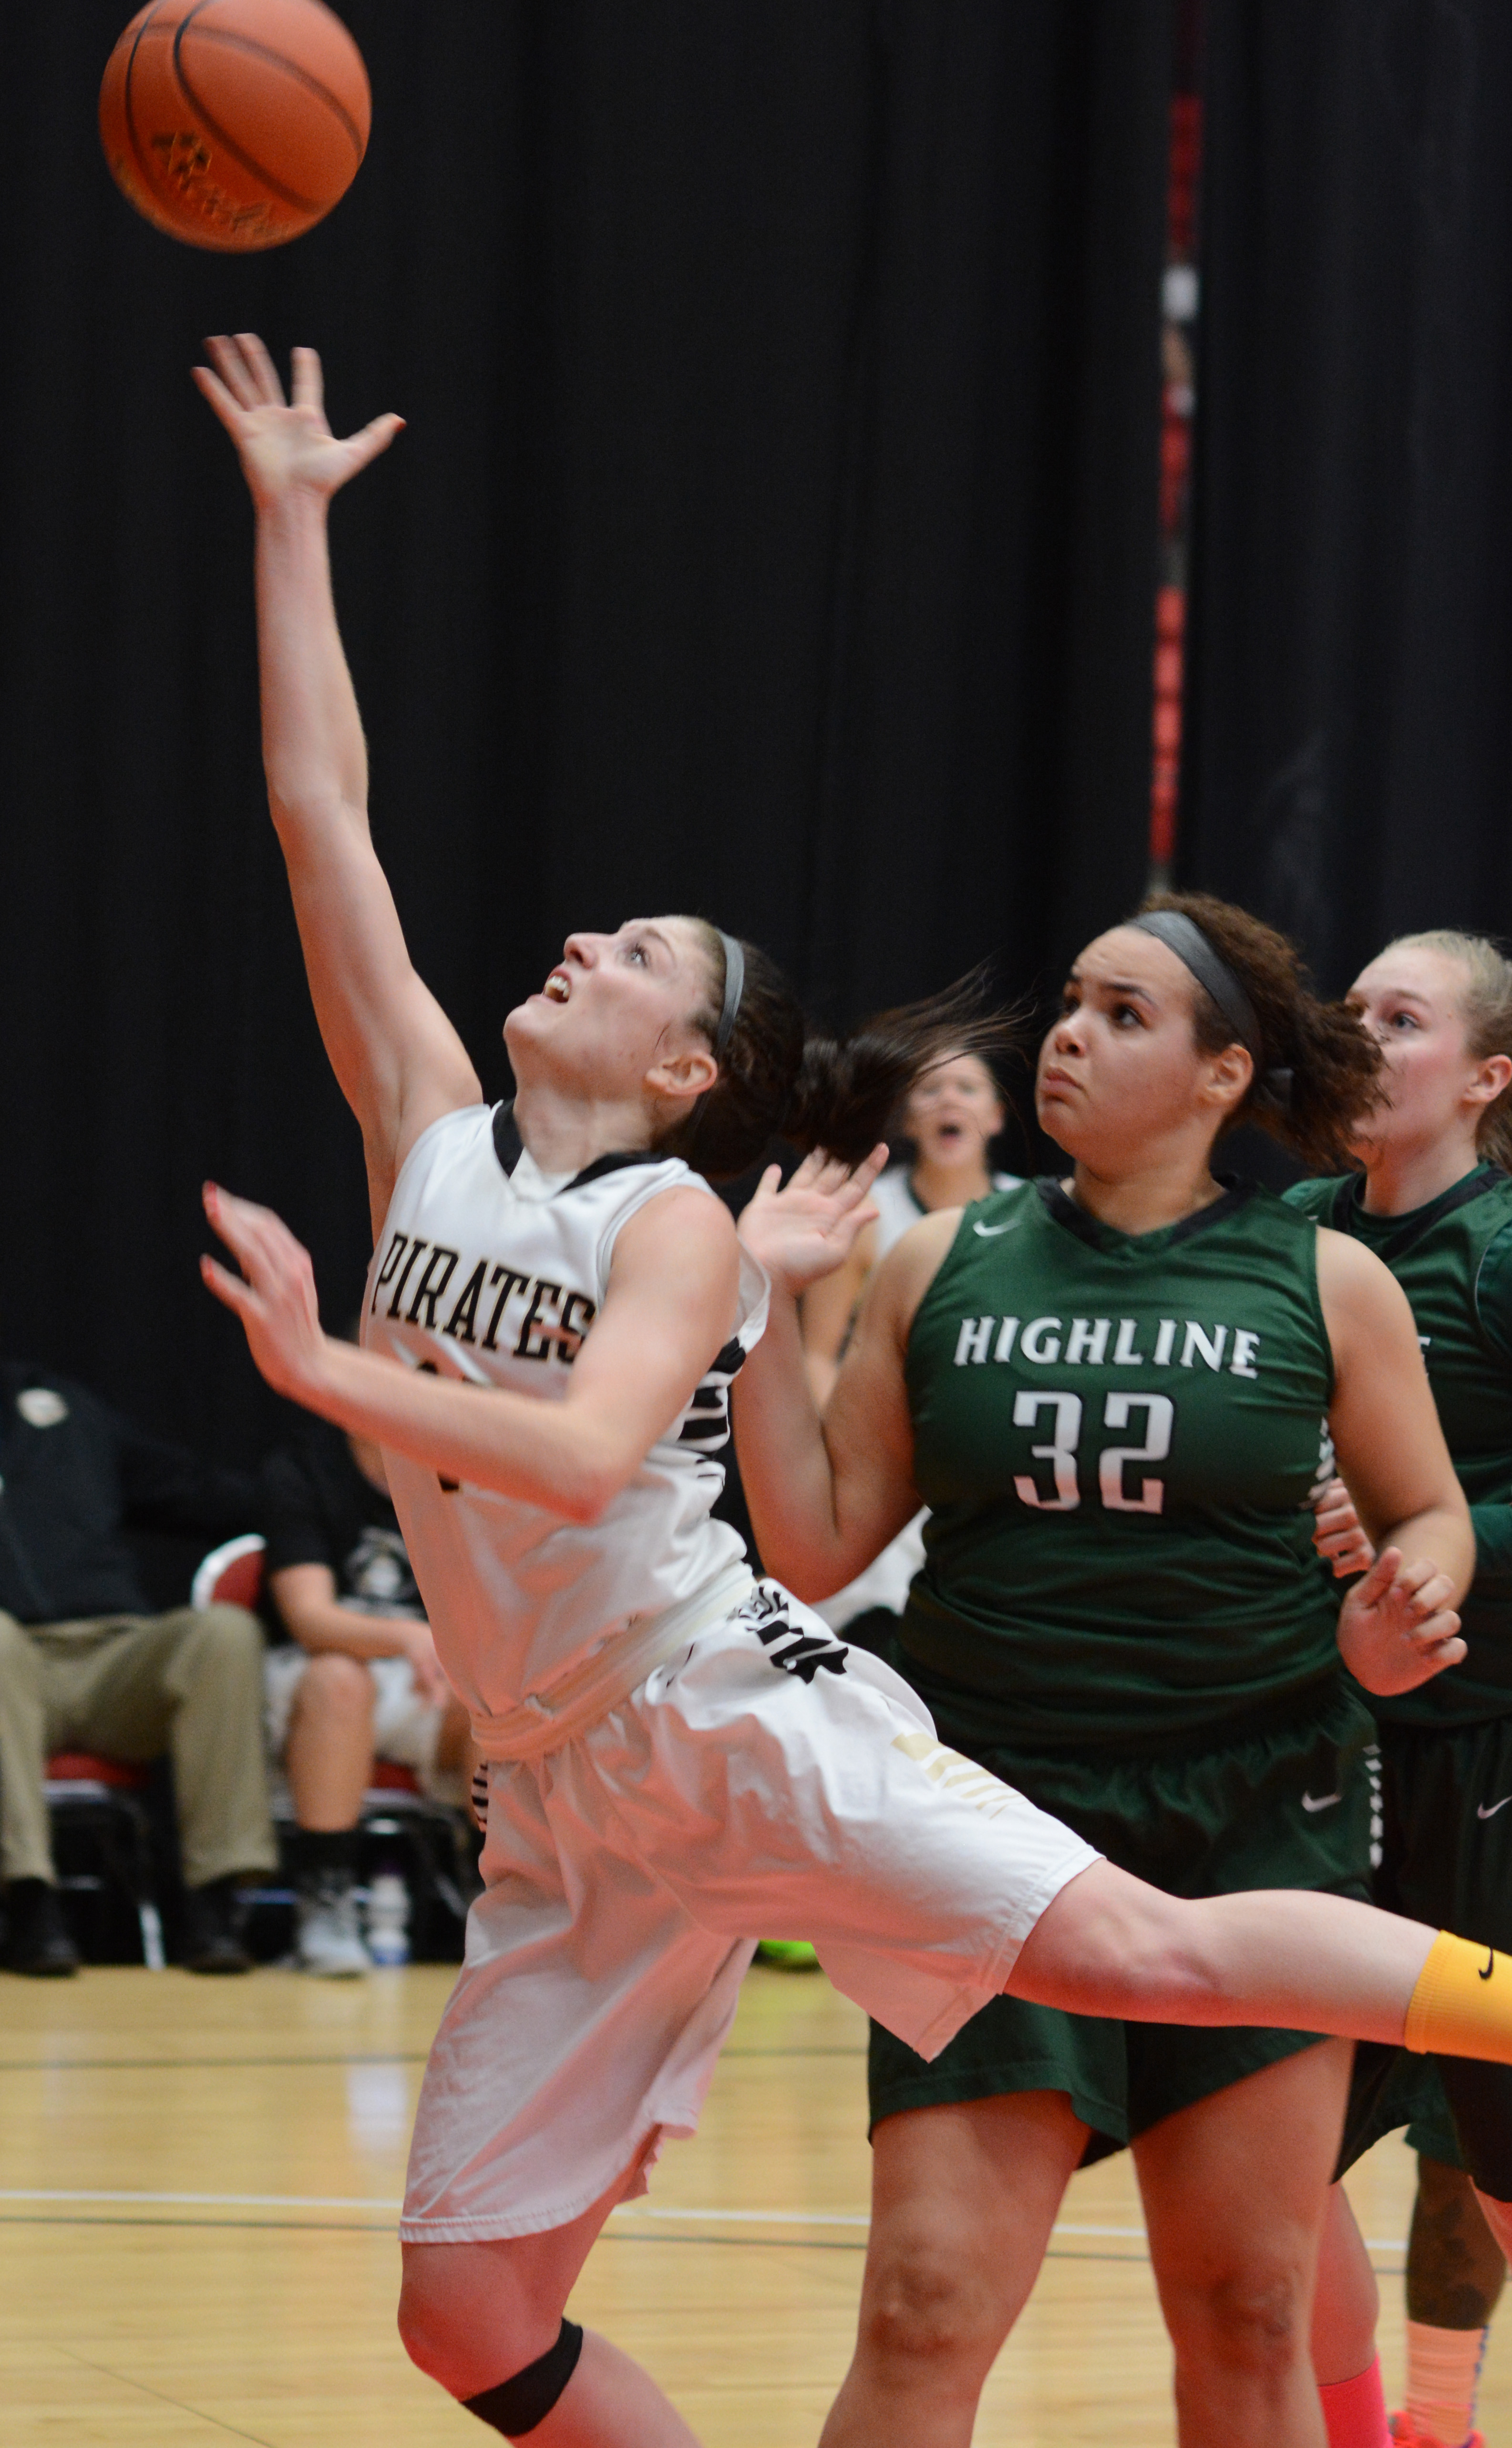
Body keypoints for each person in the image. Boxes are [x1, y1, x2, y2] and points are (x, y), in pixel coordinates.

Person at [194, 336, 1512, 2448]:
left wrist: (326, 1365)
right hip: (553, 1792)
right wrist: (287, 518)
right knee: (460, 2316)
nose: (584, 939)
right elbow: (314, 808)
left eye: (637, 953)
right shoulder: (429, 1139)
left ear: (690, 1072)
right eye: (596, 930)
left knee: (1151, 1964)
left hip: (717, 1708)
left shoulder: (674, 1230)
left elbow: (586, 1450)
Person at [730, 892, 1487, 2448]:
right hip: (995, 1814)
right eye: (1072, 1000)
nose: (1069, 1032)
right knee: (924, 2300)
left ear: (1224, 1074)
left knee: (1248, 2307)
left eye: (1125, 1012)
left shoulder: (1328, 1277)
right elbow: (811, 1549)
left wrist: (1406, 1601)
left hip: (1256, 1807)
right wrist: (753, 1313)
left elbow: (1423, 1510)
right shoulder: (944, 1256)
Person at [1290, 931, 1512, 2448]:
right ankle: (1374, 2431)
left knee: (1490, 2154)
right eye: (1348, 1008)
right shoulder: (1290, 1232)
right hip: (1321, 1747)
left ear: (1485, 1078)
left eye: (1402, 1018)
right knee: (1258, 2144)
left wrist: (1432, 1547)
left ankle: (1442, 2417)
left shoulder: (1499, 1248)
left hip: (1486, 1745)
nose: (1358, 1037)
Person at [0, 1355, 276, 1976]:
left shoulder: (65, 1411)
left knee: (222, 1635)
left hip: (113, 1659)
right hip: (12, 1667)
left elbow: (194, 1489)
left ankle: (215, 1902)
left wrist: (305, 1494)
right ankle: (29, 1904)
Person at [800, 1047, 1019, 1645]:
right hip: (889, 1460)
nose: (949, 1099)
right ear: (908, 1120)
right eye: (931, 1090)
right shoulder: (868, 1216)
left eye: (968, 1088)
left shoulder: (1040, 1213)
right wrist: (847, 1450)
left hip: (996, 1462)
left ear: (997, 1116)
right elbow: (817, 1356)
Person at [262, 1410, 477, 1975]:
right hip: (316, 1673)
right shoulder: (304, 1468)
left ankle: (505, 1895)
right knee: (340, 1683)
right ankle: (326, 1899)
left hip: (428, 1680)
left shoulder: (461, 1474)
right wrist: (407, 1636)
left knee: (502, 1695)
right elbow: (311, 1619)